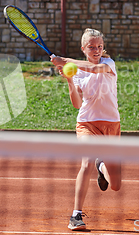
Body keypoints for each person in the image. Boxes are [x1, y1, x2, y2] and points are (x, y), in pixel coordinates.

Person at [50, 28, 121, 231]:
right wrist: (70, 80)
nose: (96, 50)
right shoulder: (79, 70)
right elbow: (76, 103)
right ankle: (76, 215)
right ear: (84, 49)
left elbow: (95, 69)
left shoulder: (108, 64)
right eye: (92, 47)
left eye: (99, 46)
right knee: (86, 160)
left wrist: (64, 60)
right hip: (87, 123)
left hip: (111, 124)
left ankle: (102, 167)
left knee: (116, 185)